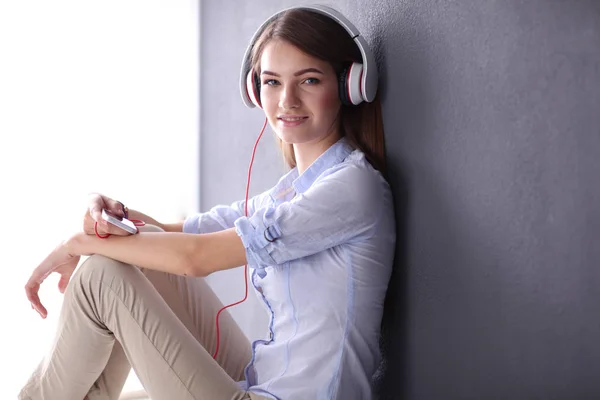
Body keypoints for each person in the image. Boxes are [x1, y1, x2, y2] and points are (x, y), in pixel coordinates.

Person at [19, 5, 396, 400]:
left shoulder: (352, 187)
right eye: (271, 82)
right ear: (255, 89)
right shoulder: (295, 190)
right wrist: (109, 213)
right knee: (130, 254)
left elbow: (195, 258)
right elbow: (176, 235)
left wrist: (78, 244)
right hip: (261, 383)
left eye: (309, 80)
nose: (287, 100)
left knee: (100, 276)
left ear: (350, 85)